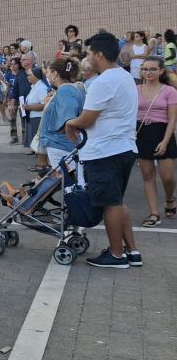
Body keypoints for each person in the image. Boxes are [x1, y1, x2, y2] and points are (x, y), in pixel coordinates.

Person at [65, 31, 141, 268]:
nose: (86, 58)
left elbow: (87, 118)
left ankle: (116, 255)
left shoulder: (103, 82)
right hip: (124, 147)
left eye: (88, 54)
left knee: (110, 203)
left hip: (105, 151)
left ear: (99, 55)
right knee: (116, 201)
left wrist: (70, 123)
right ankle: (132, 251)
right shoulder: (125, 77)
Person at [135, 57, 177, 226]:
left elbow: (172, 119)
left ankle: (169, 198)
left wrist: (165, 142)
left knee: (167, 177)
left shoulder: (169, 91)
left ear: (161, 71)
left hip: (163, 132)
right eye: (145, 69)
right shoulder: (135, 89)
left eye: (152, 69)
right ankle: (153, 214)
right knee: (147, 175)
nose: (148, 72)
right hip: (141, 132)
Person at [40, 58, 86, 168]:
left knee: (68, 181)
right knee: (72, 180)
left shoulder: (65, 90)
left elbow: (68, 120)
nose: (47, 75)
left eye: (49, 72)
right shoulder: (75, 87)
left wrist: (72, 139)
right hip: (64, 145)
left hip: (61, 146)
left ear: (55, 73)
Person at [22, 68, 48, 165]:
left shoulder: (41, 88)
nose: (27, 77)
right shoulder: (34, 86)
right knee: (36, 141)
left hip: (39, 117)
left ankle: (43, 165)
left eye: (29, 75)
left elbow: (44, 105)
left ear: (35, 76)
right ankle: (40, 164)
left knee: (39, 141)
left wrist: (29, 107)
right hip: (33, 117)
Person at [3, 58, 23, 145]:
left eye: (14, 64)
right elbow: (7, 87)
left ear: (18, 65)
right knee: (12, 119)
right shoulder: (8, 75)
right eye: (11, 64)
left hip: (21, 98)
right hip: (11, 99)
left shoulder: (22, 74)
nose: (12, 65)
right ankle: (14, 137)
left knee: (23, 118)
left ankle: (25, 137)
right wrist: (5, 97)